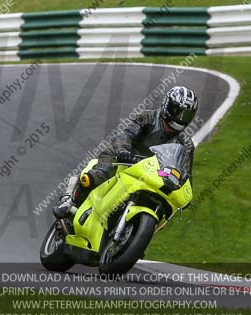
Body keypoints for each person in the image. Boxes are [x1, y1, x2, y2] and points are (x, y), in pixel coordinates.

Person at [53, 86, 199, 220]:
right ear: (168, 106)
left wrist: (185, 195)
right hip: (122, 158)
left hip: (149, 175)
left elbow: (186, 174)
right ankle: (70, 200)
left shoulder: (185, 144)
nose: (180, 118)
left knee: (161, 210)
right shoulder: (147, 117)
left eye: (186, 115)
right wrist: (124, 150)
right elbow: (125, 134)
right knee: (99, 175)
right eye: (178, 112)